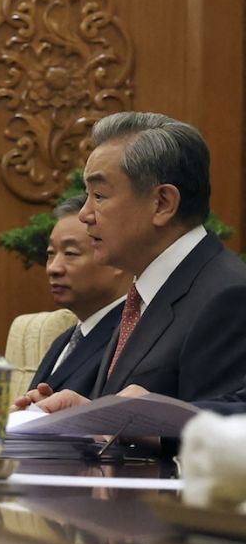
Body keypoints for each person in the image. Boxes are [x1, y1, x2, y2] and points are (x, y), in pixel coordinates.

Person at [29, 112, 246, 412]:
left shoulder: (229, 295)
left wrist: (152, 423)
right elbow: (129, 413)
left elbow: (231, 428)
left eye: (100, 195)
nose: (84, 214)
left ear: (162, 203)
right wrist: (82, 415)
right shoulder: (144, 293)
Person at [12, 195, 128, 409]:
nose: (53, 268)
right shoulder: (65, 340)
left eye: (70, 253)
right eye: (50, 254)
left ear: (117, 258)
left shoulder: (132, 336)